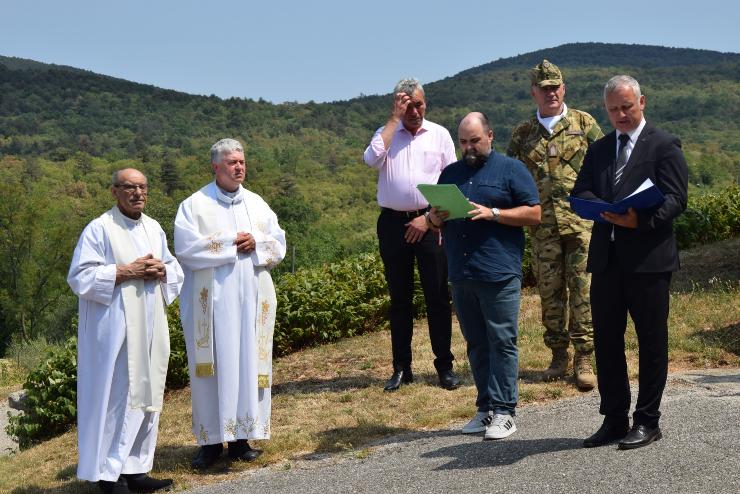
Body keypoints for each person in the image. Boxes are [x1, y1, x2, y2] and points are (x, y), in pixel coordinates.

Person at [572, 75, 688, 449]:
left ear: (642, 101)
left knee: (651, 342)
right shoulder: (601, 148)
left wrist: (641, 220)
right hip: (607, 260)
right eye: (613, 110)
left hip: (649, 261)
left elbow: (676, 199)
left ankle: (648, 420)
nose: (620, 115)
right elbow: (582, 189)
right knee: (607, 341)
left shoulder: (664, 145)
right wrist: (601, 207)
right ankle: (615, 418)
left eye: (626, 107)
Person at [68, 168, 183, 494]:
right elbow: (80, 277)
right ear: (114, 191)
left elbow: (173, 268)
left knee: (146, 397)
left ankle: (136, 468)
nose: (138, 193)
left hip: (149, 328)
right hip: (114, 333)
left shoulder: (153, 228)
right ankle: (109, 474)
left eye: (143, 187)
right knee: (117, 399)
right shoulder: (99, 229)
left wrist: (162, 269)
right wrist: (124, 271)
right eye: (129, 188)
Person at [174, 138, 286, 469]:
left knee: (247, 364)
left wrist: (258, 242)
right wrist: (230, 243)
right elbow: (186, 249)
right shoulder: (194, 205)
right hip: (212, 306)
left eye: (242, 162)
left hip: (250, 300)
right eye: (232, 162)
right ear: (215, 167)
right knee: (213, 368)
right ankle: (209, 443)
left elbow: (278, 243)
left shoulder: (257, 203)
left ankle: (241, 439)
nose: (239, 167)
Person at [428, 112, 541, 439]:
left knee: (502, 341)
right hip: (462, 271)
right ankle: (485, 408)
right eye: (463, 142)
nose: (469, 147)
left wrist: (493, 213)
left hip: (498, 270)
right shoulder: (450, 173)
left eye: (475, 140)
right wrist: (434, 217)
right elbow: (437, 221)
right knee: (476, 343)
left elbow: (534, 213)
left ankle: (505, 411)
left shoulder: (512, 170)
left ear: (490, 135)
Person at [507, 59, 603, 390]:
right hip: (543, 228)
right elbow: (510, 180)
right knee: (549, 295)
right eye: (543, 88)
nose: (550, 93)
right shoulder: (523, 135)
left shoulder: (584, 123)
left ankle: (584, 357)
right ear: (533, 92)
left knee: (583, 292)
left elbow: (606, 166)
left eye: (555, 87)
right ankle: (558, 356)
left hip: (581, 226)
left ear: (563, 88)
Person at [363, 78, 460, 392]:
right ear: (398, 106)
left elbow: (451, 183)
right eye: (408, 105)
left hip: (431, 223)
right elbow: (371, 159)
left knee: (437, 297)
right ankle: (402, 368)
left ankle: (444, 366)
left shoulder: (440, 134)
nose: (415, 111)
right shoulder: (386, 134)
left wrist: (430, 220)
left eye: (419, 104)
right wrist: (394, 120)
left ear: (425, 103)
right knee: (400, 299)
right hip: (393, 224)